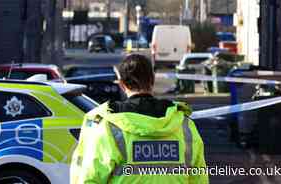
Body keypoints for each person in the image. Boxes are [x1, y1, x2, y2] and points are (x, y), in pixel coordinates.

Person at [70, 54, 208, 184]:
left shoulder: (107, 125)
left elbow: (88, 177)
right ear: (152, 81)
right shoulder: (184, 124)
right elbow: (199, 177)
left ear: (122, 85)